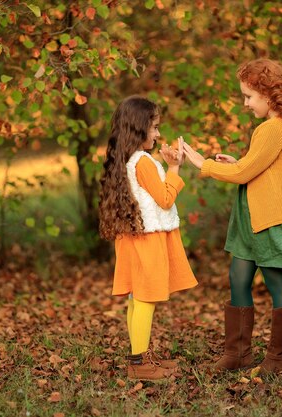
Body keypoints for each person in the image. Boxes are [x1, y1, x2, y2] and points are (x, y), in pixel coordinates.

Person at [182, 58, 282, 374]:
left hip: (267, 219)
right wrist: (236, 163)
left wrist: (204, 163)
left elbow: (245, 172)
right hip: (250, 218)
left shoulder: (273, 128)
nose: (245, 103)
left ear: (269, 94)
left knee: (276, 282)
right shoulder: (273, 128)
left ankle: (280, 358)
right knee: (238, 278)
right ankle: (238, 355)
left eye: (249, 96)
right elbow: (257, 168)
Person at [99, 96, 198, 380]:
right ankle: (140, 364)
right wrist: (176, 168)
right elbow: (165, 199)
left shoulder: (126, 158)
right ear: (139, 128)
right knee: (146, 299)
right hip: (147, 238)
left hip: (134, 236)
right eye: (154, 127)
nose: (157, 134)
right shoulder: (142, 162)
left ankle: (139, 356)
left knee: (137, 297)